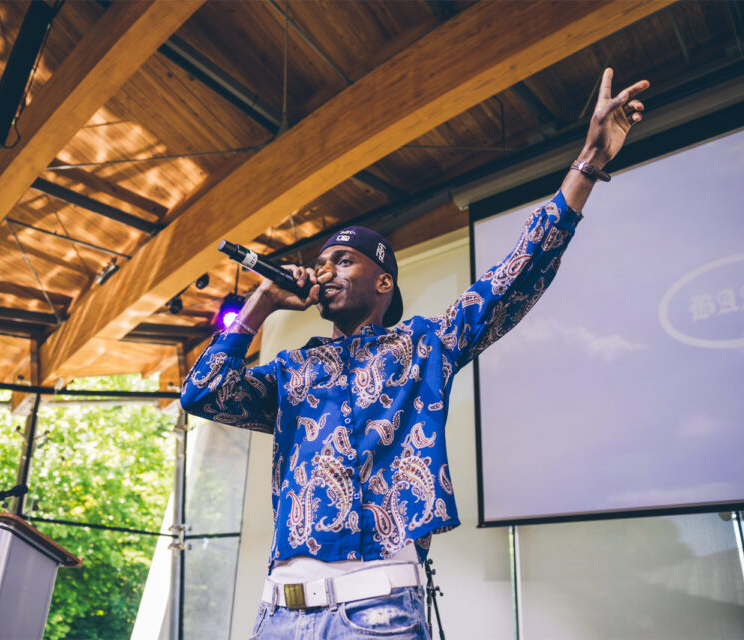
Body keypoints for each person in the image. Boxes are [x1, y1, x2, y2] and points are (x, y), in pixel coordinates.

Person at [181, 68, 648, 639]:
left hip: (376, 611)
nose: (325, 270)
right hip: (281, 615)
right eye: (321, 262)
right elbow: (202, 393)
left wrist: (588, 165)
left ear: (383, 283)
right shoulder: (291, 371)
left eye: (344, 261)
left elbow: (516, 276)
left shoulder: (425, 343)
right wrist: (258, 305)